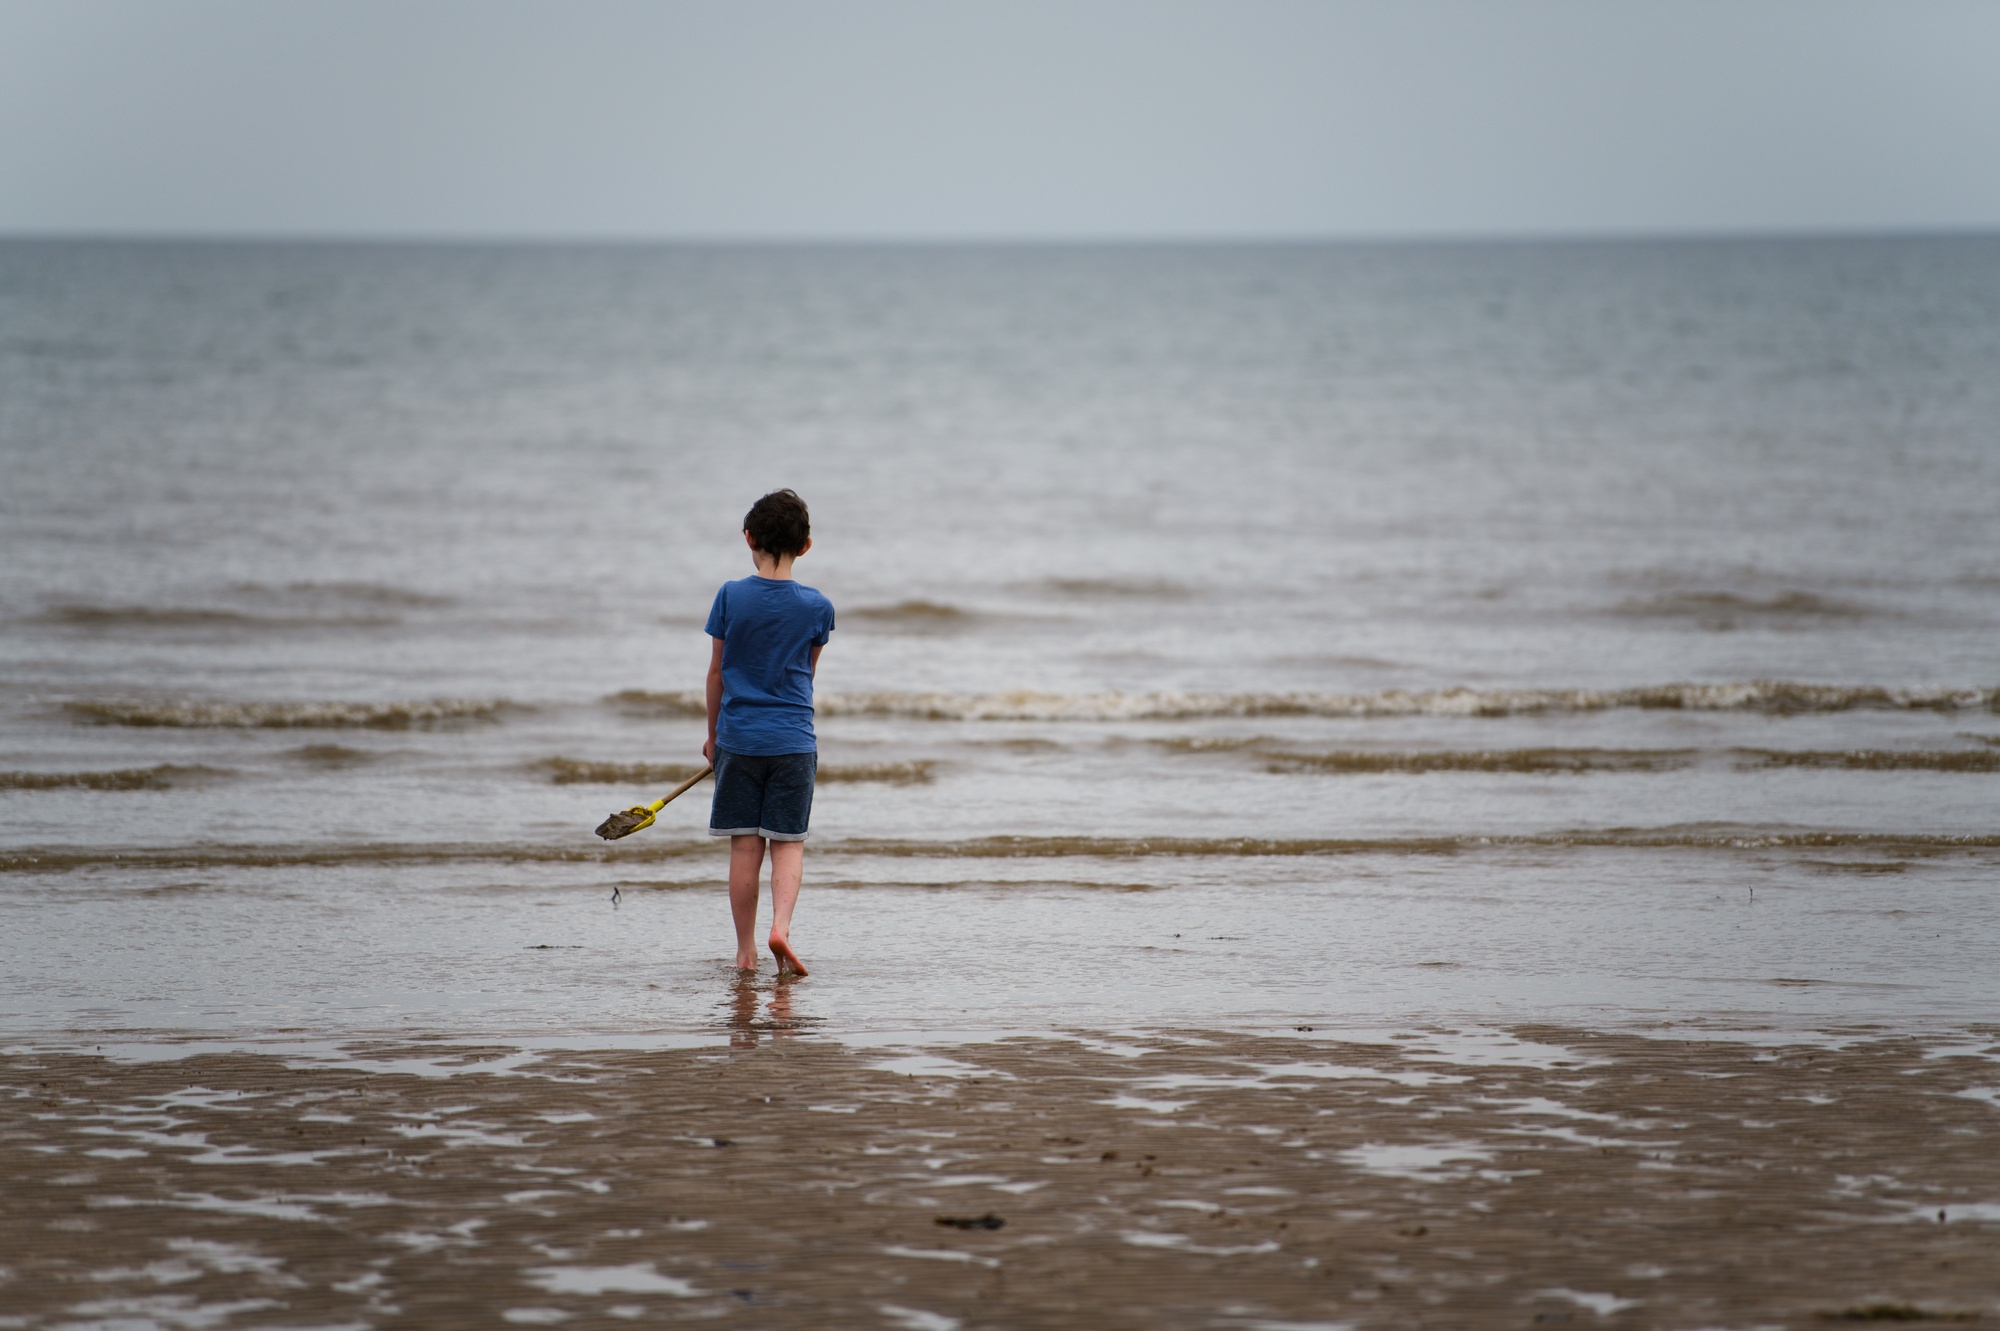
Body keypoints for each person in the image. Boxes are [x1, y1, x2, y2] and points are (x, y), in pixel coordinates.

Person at [701, 489, 834, 976]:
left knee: (744, 846)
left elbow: (717, 673)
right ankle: (781, 927)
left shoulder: (730, 596)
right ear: (806, 546)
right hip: (793, 741)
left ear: (748, 539)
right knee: (789, 843)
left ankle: (745, 951)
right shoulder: (818, 607)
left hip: (739, 738)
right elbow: (806, 675)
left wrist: (714, 736)